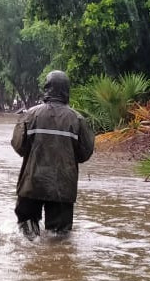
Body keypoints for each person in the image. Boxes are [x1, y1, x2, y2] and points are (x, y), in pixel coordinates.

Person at [11, 71, 95, 238]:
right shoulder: (77, 119)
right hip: (63, 187)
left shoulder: (30, 115)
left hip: (31, 183)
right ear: (66, 90)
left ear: (47, 89)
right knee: (59, 238)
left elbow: (18, 146)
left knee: (27, 233)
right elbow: (85, 153)